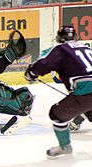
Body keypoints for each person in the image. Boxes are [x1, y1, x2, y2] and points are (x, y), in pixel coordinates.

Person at [24, 25, 92, 159]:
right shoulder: (86, 47)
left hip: (84, 91)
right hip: (85, 92)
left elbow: (44, 63)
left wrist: (31, 73)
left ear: (60, 37)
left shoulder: (61, 48)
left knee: (56, 115)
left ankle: (65, 146)